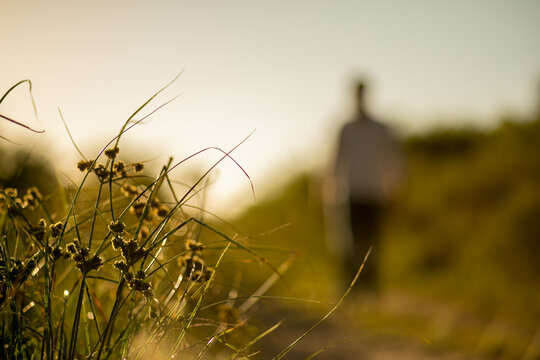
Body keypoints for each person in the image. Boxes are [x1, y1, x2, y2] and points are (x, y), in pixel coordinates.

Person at [328, 81, 405, 295]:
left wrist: (395, 187)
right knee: (349, 243)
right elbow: (335, 160)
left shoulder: (380, 129)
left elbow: (392, 159)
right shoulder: (346, 129)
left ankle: (372, 289)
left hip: (374, 193)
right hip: (350, 192)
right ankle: (350, 287)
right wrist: (327, 189)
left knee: (373, 242)